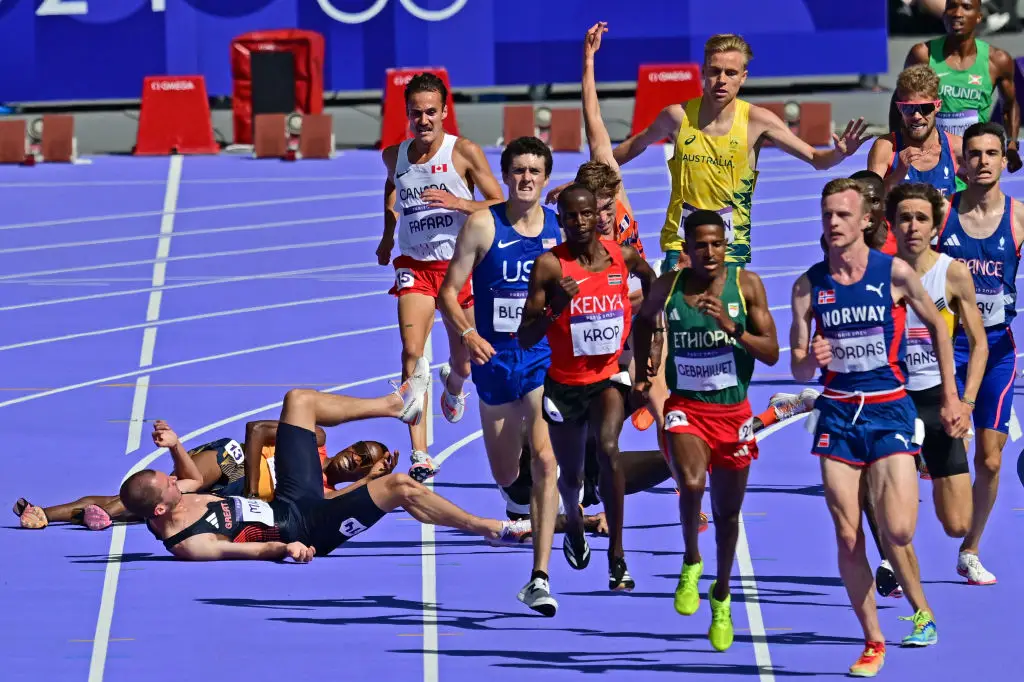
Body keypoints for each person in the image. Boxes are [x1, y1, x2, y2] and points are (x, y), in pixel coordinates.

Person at [790, 178, 968, 676]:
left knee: (898, 528)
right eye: (826, 215)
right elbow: (800, 365)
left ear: (865, 220)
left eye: (842, 215)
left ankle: (923, 610)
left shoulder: (894, 273)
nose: (832, 223)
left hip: (890, 408)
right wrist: (812, 358)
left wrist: (952, 396)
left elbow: (936, 324)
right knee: (848, 535)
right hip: (838, 415)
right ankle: (873, 640)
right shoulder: (808, 285)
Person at [121, 359, 533, 562]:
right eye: (169, 482)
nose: (176, 480)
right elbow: (243, 552)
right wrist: (287, 548)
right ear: (160, 508)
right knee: (402, 487)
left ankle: (395, 405)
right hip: (306, 525)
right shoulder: (189, 543)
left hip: (288, 498)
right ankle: (493, 528)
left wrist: (176, 446)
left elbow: (190, 478)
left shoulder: (178, 497)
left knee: (299, 401)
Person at [632, 209, 779, 651]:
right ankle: (690, 561)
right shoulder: (669, 286)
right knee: (692, 483)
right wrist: (646, 369)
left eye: (717, 244)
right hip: (687, 409)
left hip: (732, 415)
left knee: (728, 516)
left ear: (725, 244)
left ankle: (721, 593)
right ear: (687, 248)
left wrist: (732, 329)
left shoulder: (746, 285)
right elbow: (642, 322)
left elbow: (772, 352)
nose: (710, 252)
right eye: (701, 245)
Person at [606, 29, 869, 271]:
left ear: (743, 77)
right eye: (714, 71)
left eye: (730, 73)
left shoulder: (757, 121)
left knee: (724, 319)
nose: (721, 80)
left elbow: (815, 159)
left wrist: (840, 153)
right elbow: (632, 147)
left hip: (730, 246)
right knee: (678, 319)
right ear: (703, 72)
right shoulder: (677, 116)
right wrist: (586, 177)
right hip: (681, 242)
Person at [436, 135, 562, 616]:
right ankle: (524, 482)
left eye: (535, 170)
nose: (527, 178)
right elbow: (449, 293)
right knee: (508, 473)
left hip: (541, 358)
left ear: (545, 177)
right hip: (493, 361)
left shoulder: (558, 229)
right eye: (519, 170)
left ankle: (540, 576)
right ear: (506, 176)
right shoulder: (483, 225)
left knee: (547, 461)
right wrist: (467, 335)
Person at [518, 184, 656, 590]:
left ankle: (617, 556)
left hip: (609, 377)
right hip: (564, 384)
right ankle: (574, 518)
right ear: (560, 221)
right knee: (572, 476)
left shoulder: (621, 256)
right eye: (570, 217)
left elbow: (651, 280)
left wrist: (653, 334)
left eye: (586, 215)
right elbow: (526, 337)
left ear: (598, 217)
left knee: (610, 449)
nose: (579, 223)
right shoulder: (549, 266)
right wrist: (553, 310)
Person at [377, 73, 505, 483]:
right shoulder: (394, 155)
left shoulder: (462, 151)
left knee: (463, 360)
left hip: (458, 270)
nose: (424, 120)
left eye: (431, 112)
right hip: (414, 267)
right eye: (416, 113)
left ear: (445, 112)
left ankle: (453, 384)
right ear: (408, 114)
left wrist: (460, 202)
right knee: (412, 354)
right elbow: (391, 189)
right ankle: (420, 451)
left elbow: (501, 201)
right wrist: (385, 236)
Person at [935, 120, 1024, 585]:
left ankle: (970, 549)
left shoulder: (1018, 216)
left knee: (989, 460)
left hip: (997, 351)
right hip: (944, 351)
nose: (984, 161)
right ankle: (893, 548)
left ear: (1005, 161)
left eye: (993, 153)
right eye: (975, 154)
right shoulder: (940, 213)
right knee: (935, 452)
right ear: (962, 162)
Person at [887, 181, 988, 568]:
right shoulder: (877, 273)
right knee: (896, 517)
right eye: (905, 218)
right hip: (891, 399)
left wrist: (966, 403)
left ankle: (928, 462)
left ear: (935, 227)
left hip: (937, 398)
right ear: (891, 224)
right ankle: (888, 560)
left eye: (921, 218)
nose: (912, 226)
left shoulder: (953, 273)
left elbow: (979, 344)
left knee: (957, 523)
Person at [12, 428, 390, 531]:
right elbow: (257, 430)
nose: (353, 459)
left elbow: (333, 506)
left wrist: (373, 479)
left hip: (235, 500)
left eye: (362, 463)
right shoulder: (315, 441)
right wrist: (253, 482)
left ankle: (80, 515)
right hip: (234, 462)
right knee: (144, 496)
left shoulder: (321, 492)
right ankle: (46, 512)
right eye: (358, 450)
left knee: (143, 508)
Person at [903, 0, 1021, 172]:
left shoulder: (997, 60)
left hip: (974, 157)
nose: (957, 13)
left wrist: (1011, 143)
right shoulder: (923, 55)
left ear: (979, 17)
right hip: (932, 155)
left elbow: (1009, 105)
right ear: (943, 14)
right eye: (951, 7)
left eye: (966, 7)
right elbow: (900, 102)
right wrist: (899, 146)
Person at [870, 65, 965, 199]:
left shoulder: (956, 147)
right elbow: (870, 201)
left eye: (925, 108)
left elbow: (982, 193)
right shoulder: (885, 147)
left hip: (943, 220)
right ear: (899, 108)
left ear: (937, 106)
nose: (916, 116)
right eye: (909, 108)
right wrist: (897, 174)